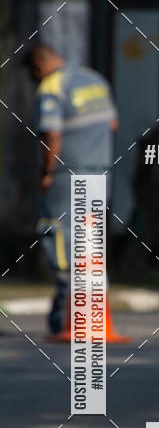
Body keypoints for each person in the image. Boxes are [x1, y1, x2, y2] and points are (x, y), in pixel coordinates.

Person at [23, 43, 118, 333]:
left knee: (60, 237)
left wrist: (46, 172)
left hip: (67, 175)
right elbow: (112, 123)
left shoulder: (52, 86)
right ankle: (90, 314)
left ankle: (68, 309)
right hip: (99, 172)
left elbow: (51, 133)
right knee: (91, 241)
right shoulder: (94, 79)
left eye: (33, 75)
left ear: (39, 67)